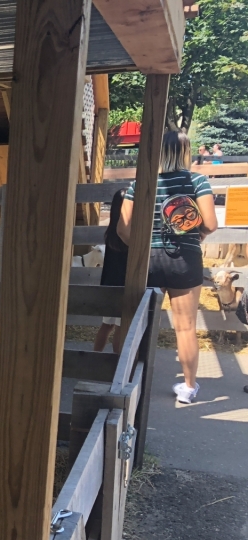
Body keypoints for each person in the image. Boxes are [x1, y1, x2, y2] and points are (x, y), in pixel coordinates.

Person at [117, 131, 218, 404]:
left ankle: (128, 383)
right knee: (185, 328)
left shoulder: (142, 182)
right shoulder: (197, 180)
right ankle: (188, 387)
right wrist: (197, 235)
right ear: (185, 151)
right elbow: (209, 224)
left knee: (138, 325)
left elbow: (122, 229)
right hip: (184, 258)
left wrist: (142, 248)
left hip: (147, 258)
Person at [93, 189, 130, 353]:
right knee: (121, 327)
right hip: (123, 283)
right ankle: (117, 365)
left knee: (107, 325)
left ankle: (95, 357)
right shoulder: (127, 231)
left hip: (110, 283)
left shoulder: (111, 231)